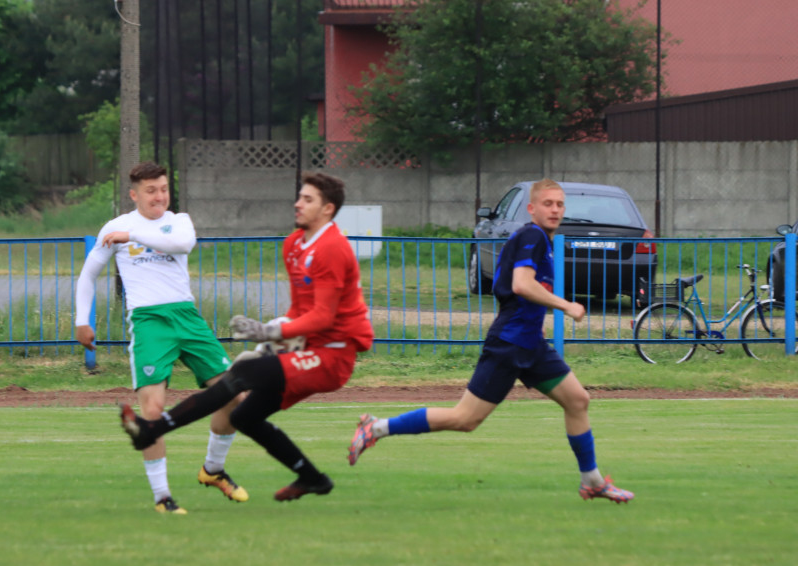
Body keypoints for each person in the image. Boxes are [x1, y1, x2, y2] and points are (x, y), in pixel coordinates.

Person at [348, 178, 634, 504]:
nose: (555, 210)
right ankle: (376, 428)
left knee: (577, 400)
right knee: (465, 419)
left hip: (530, 344)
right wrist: (566, 305)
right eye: (548, 204)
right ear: (532, 208)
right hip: (510, 345)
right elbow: (522, 284)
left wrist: (535, 320)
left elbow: (515, 289)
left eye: (559, 204)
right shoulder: (532, 235)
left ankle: (592, 481)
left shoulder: (536, 238)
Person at [119, 172, 374, 502]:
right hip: (310, 351)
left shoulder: (332, 248)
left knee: (243, 373)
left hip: (333, 356)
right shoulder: (294, 244)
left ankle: (154, 428)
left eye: (308, 199)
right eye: (299, 196)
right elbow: (302, 309)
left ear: (327, 209)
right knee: (244, 415)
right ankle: (313, 478)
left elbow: (324, 316)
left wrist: (273, 331)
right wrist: (279, 333)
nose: (298, 203)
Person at [74, 161, 246, 515]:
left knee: (236, 396)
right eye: (151, 191)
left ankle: (213, 470)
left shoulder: (178, 221)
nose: (159, 196)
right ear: (134, 194)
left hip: (187, 317)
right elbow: (88, 274)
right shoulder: (117, 227)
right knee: (152, 410)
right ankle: (162, 498)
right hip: (149, 321)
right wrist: (81, 320)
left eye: (164, 189)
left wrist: (133, 237)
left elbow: (183, 244)